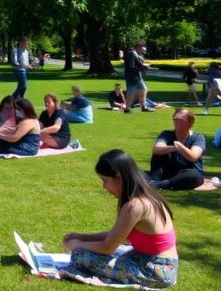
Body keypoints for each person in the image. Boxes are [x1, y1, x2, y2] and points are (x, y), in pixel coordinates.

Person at [60, 150, 179, 288]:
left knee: (79, 255)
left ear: (119, 177)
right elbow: (116, 234)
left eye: (105, 181)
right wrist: (83, 237)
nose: (104, 187)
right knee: (95, 251)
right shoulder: (146, 196)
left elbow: (107, 247)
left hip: (156, 271)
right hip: (160, 264)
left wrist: (77, 245)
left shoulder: (135, 206)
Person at [149, 109, 205, 190]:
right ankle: (154, 180)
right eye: (175, 119)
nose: (176, 121)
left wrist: (180, 146)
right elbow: (156, 149)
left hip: (187, 173)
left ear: (190, 123)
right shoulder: (166, 134)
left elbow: (193, 157)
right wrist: (175, 147)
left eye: (180, 120)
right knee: (159, 154)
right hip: (169, 172)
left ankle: (160, 184)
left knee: (195, 176)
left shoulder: (198, 137)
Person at [123, 40, 153, 112]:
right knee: (136, 90)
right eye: (144, 47)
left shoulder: (136, 54)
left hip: (134, 76)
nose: (145, 50)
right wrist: (143, 67)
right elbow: (131, 66)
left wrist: (144, 66)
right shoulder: (132, 54)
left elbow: (137, 65)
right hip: (133, 76)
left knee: (138, 90)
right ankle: (140, 107)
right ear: (139, 47)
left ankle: (130, 108)